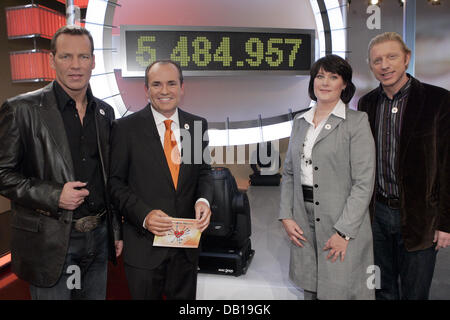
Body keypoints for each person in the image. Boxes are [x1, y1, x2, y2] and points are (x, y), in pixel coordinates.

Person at [0, 26, 122, 299]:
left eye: (83, 57)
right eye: (66, 56)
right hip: (51, 242)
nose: (76, 65)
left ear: (93, 61)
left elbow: (109, 179)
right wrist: (55, 195)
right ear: (51, 59)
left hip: (99, 239)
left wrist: (115, 231)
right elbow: (3, 174)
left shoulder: (105, 112)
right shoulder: (21, 110)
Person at [109, 59, 213, 300]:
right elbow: (115, 184)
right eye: (156, 84)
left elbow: (204, 172)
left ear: (182, 88)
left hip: (186, 247)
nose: (164, 91)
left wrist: (203, 201)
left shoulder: (197, 125)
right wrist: (144, 215)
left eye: (171, 83)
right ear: (146, 90)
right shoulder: (124, 128)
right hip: (144, 247)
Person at [358, 32, 450, 300]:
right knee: (382, 290)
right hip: (377, 216)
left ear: (407, 59)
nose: (384, 65)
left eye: (391, 57)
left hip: (421, 218)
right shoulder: (367, 104)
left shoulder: (438, 101)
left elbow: (447, 165)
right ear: (371, 66)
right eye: (377, 60)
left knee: (415, 293)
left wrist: (445, 222)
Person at [279, 54, 376, 300]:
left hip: (342, 220)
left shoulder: (356, 122)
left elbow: (364, 183)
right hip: (302, 218)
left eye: (333, 77)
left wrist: (343, 233)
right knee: (310, 287)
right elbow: (289, 173)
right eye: (320, 76)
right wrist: (286, 216)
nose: (325, 82)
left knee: (341, 290)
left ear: (344, 84)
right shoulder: (299, 122)